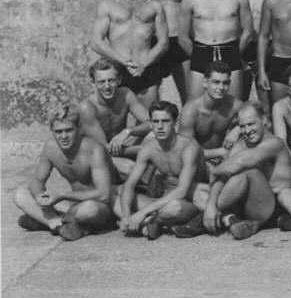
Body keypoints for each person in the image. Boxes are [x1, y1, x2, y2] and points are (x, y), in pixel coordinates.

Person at [184, 103, 291, 240]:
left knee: (249, 172)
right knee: (197, 189)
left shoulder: (274, 144)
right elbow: (223, 175)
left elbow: (238, 163)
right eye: (242, 126)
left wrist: (214, 173)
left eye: (251, 124)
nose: (247, 130)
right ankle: (227, 219)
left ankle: (206, 218)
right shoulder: (241, 144)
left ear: (264, 121)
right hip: (247, 205)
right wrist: (211, 204)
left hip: (271, 207)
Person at [14, 105, 115, 241]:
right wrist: (41, 199)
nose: (63, 136)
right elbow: (37, 181)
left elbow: (104, 194)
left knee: (91, 209)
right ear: (52, 131)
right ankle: (57, 224)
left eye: (68, 130)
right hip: (72, 206)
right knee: (20, 194)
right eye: (58, 132)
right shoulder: (51, 147)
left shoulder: (94, 149)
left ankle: (46, 221)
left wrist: (62, 195)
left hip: (98, 207)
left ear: (79, 129)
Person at [116, 101, 209, 240]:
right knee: (117, 197)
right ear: (151, 123)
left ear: (175, 123)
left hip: (191, 198)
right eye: (156, 121)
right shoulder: (148, 148)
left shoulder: (189, 147)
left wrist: (142, 213)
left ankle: (150, 221)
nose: (160, 127)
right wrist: (126, 215)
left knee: (174, 208)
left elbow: (182, 190)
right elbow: (130, 184)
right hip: (165, 197)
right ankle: (152, 222)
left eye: (165, 121)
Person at [91, 0, 168, 106]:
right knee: (116, 120)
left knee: (148, 119)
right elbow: (96, 42)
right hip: (117, 71)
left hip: (146, 69)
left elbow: (164, 43)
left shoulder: (155, 7)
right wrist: (125, 62)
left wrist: (143, 64)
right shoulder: (107, 6)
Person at [179, 0, 253, 99]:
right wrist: (197, 56)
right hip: (201, 52)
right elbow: (183, 37)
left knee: (233, 107)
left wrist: (235, 54)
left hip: (230, 52)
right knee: (195, 106)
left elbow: (248, 31)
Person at [78, 59, 152, 177]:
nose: (107, 86)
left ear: (119, 80)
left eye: (111, 80)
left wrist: (128, 131)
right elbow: (105, 150)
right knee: (133, 168)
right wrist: (144, 150)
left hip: (118, 149)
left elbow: (152, 123)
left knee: (155, 137)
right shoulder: (87, 107)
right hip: (95, 155)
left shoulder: (125, 94)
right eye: (101, 82)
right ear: (93, 83)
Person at [179, 61, 243, 167]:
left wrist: (237, 130)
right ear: (205, 83)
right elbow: (183, 150)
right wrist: (220, 152)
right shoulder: (191, 111)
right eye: (216, 82)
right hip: (198, 160)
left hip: (226, 159)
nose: (221, 87)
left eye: (225, 83)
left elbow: (262, 121)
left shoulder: (234, 105)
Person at [239, 0, 275, 105]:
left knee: (267, 100)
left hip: (268, 48)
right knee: (238, 100)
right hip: (244, 47)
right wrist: (238, 54)